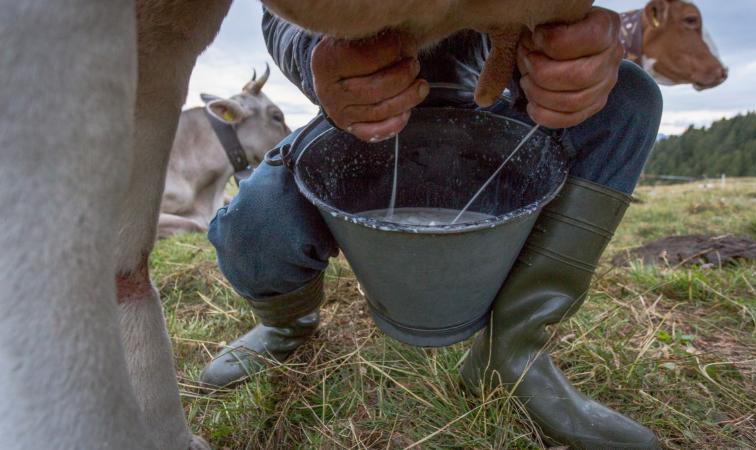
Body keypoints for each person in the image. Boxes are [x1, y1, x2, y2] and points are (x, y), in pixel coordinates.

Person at [201, 6, 663, 449]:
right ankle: (286, 327)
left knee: (630, 94)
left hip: (488, 111)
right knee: (253, 225)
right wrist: (316, 55)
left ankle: (512, 356)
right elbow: (279, 13)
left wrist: (567, 59)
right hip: (361, 125)